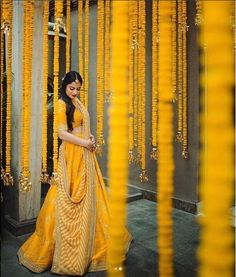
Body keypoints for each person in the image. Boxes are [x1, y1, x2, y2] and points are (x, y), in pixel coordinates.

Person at [17, 71, 132, 275]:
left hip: (84, 152)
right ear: (64, 86)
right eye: (72, 88)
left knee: (92, 195)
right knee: (67, 195)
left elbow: (80, 126)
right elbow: (62, 134)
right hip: (72, 154)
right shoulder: (61, 104)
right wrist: (85, 143)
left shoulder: (76, 102)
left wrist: (90, 137)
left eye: (78, 88)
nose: (75, 92)